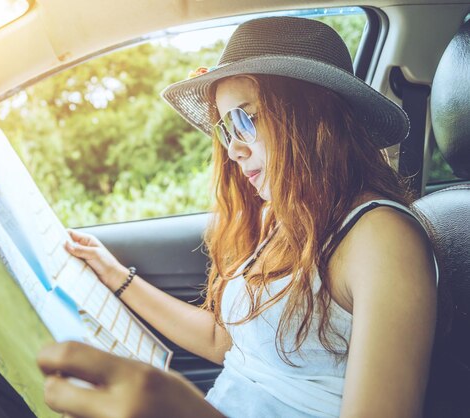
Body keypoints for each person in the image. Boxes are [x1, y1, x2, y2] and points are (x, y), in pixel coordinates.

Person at [37, 16, 438, 418]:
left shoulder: (383, 238)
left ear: (313, 119)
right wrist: (114, 275)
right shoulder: (279, 218)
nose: (233, 151)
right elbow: (223, 341)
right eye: (225, 130)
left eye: (244, 120)